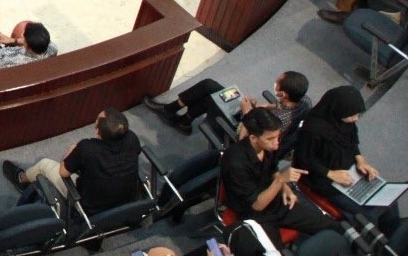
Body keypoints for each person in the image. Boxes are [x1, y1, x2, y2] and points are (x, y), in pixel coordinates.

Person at [219, 109, 339, 240]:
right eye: (270, 139)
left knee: (330, 225)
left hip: (274, 199)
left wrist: (285, 188)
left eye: (277, 136)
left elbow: (272, 169)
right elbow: (256, 206)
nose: (276, 144)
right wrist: (281, 181)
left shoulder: (268, 147)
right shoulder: (235, 163)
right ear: (253, 138)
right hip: (253, 213)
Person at [3, 108, 143, 213]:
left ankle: (21, 179)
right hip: (125, 200)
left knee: (43, 165)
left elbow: (63, 172)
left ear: (98, 132)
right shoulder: (132, 138)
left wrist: (71, 151)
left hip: (90, 206)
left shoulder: (87, 148)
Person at [293, 86, 391, 223]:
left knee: (386, 198)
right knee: (367, 212)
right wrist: (330, 174)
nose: (355, 119)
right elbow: (304, 159)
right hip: (323, 178)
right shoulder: (313, 129)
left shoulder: (343, 120)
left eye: (358, 114)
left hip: (349, 170)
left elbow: (351, 139)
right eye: (352, 115)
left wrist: (360, 159)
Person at [145, 70, 311, 139]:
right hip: (255, 116)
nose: (274, 84)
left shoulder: (276, 122)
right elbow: (280, 106)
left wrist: (247, 113)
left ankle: (172, 111)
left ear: (283, 94)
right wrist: (258, 106)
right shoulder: (303, 101)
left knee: (212, 96)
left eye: (277, 84)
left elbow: (247, 139)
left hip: (241, 128)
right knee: (210, 87)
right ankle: (183, 120)